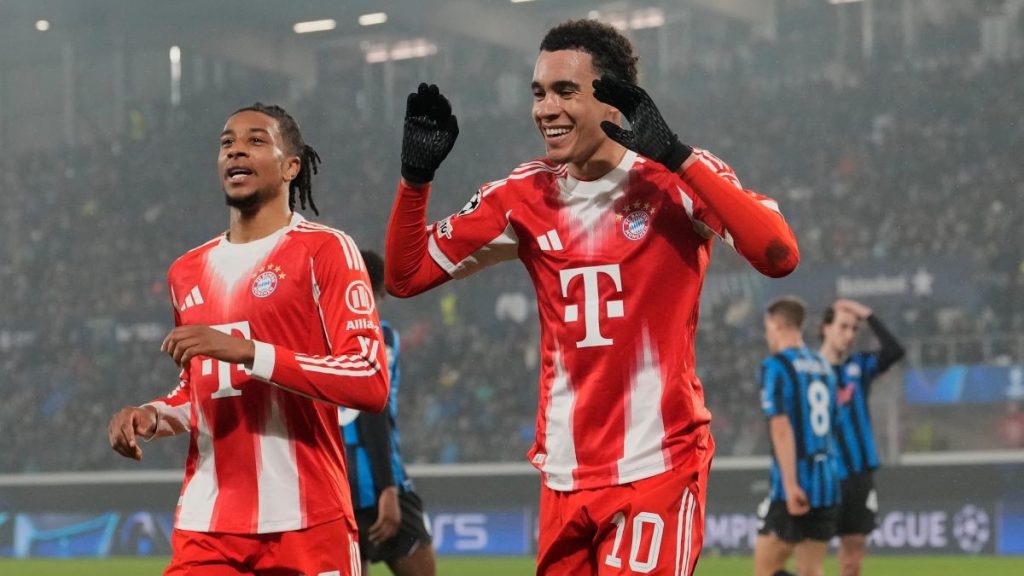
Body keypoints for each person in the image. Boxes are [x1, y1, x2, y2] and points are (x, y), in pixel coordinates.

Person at [384, 18, 800, 576]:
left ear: (611, 99)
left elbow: (779, 255)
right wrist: (415, 180)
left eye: (565, 91)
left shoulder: (673, 179)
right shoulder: (522, 195)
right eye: (538, 93)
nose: (546, 109)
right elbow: (405, 275)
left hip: (656, 466)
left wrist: (678, 156)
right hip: (563, 478)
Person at [107, 103, 389, 575]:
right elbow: (200, 390)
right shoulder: (186, 271)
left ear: (291, 166)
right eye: (227, 143)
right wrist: (152, 415)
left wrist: (250, 352)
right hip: (209, 525)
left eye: (256, 140)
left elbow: (369, 378)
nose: (236, 149)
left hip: (308, 518)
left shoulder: (325, 250)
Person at [340, 250, 436, 576]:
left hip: (334, 486)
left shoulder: (318, 337)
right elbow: (372, 410)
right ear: (380, 290)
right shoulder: (381, 336)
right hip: (377, 481)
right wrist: (388, 488)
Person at [754, 297, 840, 576]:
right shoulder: (824, 366)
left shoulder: (776, 366)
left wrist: (791, 485)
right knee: (811, 569)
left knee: (766, 569)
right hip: (827, 482)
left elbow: (781, 427)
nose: (767, 335)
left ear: (778, 325)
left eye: (768, 328)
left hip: (794, 483)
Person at [819, 298, 905, 576]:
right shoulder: (810, 371)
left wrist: (868, 315)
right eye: (843, 326)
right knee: (811, 557)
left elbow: (894, 351)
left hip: (858, 475)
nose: (850, 334)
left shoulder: (859, 366)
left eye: (854, 329)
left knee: (853, 557)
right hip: (823, 475)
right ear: (825, 328)